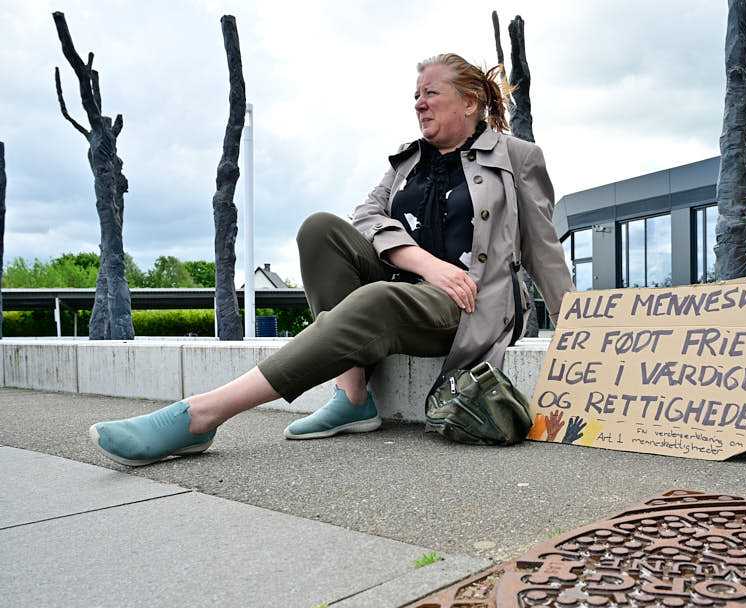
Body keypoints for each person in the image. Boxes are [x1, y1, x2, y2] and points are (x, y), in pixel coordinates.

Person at [88, 53, 573, 466]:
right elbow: (365, 215)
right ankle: (353, 395)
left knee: (380, 298)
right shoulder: (408, 160)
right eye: (415, 96)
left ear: (470, 102)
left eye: (431, 93)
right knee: (320, 229)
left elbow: (544, 249)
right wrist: (424, 263)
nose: (419, 103)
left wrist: (581, 332)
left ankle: (201, 415)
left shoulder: (516, 157)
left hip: (466, 304)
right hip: (408, 285)